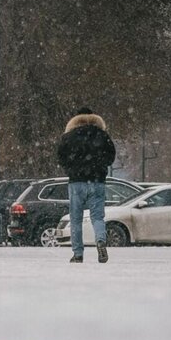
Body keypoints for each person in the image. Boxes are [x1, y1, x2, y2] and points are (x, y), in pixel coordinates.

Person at [57, 106, 117, 263]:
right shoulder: (102, 135)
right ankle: (100, 240)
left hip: (76, 182)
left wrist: (72, 168)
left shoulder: (68, 137)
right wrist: (99, 165)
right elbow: (111, 157)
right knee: (97, 217)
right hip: (97, 181)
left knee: (75, 219)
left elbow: (61, 157)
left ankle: (78, 254)